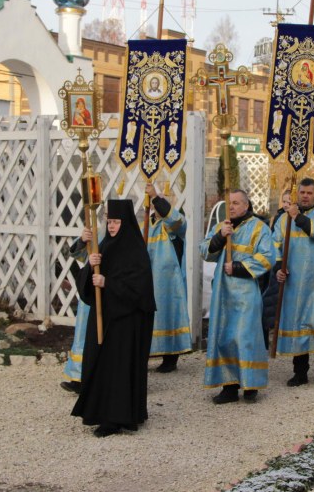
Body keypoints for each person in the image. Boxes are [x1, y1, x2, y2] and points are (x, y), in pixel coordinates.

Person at [71, 199, 155, 437]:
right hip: (104, 317)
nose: (111, 226)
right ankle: (101, 412)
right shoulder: (104, 245)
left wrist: (108, 283)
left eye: (116, 221)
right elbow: (88, 285)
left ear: (126, 222)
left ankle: (117, 418)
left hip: (125, 323)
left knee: (119, 368)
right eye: (109, 221)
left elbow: (140, 291)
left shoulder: (135, 251)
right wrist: (91, 266)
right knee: (100, 365)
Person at [201, 189, 275, 403]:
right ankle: (229, 386)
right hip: (223, 293)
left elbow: (268, 257)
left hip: (245, 292)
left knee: (245, 337)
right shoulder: (222, 226)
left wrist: (238, 267)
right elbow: (204, 250)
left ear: (246, 205)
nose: (231, 206)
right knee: (225, 337)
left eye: (235, 203)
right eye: (229, 203)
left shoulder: (259, 227)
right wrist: (219, 237)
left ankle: (250, 384)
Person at [272, 178, 314, 385]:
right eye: (302, 192)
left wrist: (297, 217)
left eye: (310, 193)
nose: (305, 196)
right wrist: (278, 268)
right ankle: (300, 371)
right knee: (297, 323)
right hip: (294, 282)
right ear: (297, 193)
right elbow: (275, 244)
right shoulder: (284, 219)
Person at [145, 183, 191, 373]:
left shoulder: (174, 223)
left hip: (169, 281)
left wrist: (156, 197)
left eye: (161, 202)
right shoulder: (146, 226)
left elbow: (177, 221)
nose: (157, 206)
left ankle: (171, 357)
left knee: (169, 313)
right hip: (149, 278)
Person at [60, 226, 92, 394]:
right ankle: (78, 377)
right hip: (89, 293)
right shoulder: (98, 231)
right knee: (82, 337)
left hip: (108, 292)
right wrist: (83, 240)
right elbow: (80, 255)